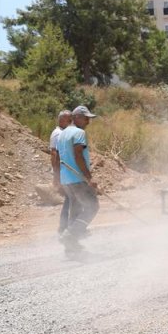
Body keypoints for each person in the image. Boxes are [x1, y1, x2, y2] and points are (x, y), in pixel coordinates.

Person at [57, 105, 100, 249]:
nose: (88, 121)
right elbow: (78, 155)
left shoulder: (62, 133)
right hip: (78, 179)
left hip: (66, 179)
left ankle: (72, 245)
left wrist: (58, 178)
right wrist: (89, 177)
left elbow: (58, 157)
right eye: (86, 118)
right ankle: (70, 236)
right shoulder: (79, 133)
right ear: (76, 118)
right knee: (92, 206)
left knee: (74, 210)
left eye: (89, 118)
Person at [50, 110, 72, 236]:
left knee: (70, 199)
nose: (71, 122)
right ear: (62, 120)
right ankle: (65, 227)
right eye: (69, 120)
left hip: (66, 172)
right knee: (71, 198)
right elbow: (54, 155)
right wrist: (57, 176)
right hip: (63, 174)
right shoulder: (58, 134)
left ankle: (65, 226)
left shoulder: (63, 132)